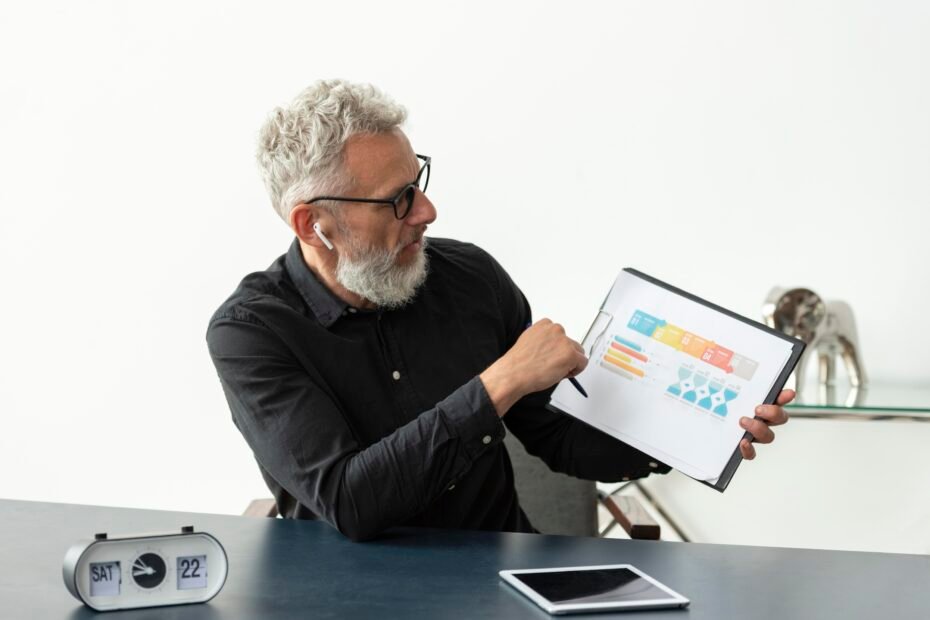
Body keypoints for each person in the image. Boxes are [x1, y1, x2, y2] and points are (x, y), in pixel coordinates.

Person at [206, 79, 793, 542]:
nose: (427, 210)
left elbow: (557, 437)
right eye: (397, 199)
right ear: (314, 224)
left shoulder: (469, 279)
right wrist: (503, 380)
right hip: (350, 597)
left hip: (501, 577)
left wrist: (696, 432)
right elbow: (352, 502)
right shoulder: (251, 333)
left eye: (419, 181)